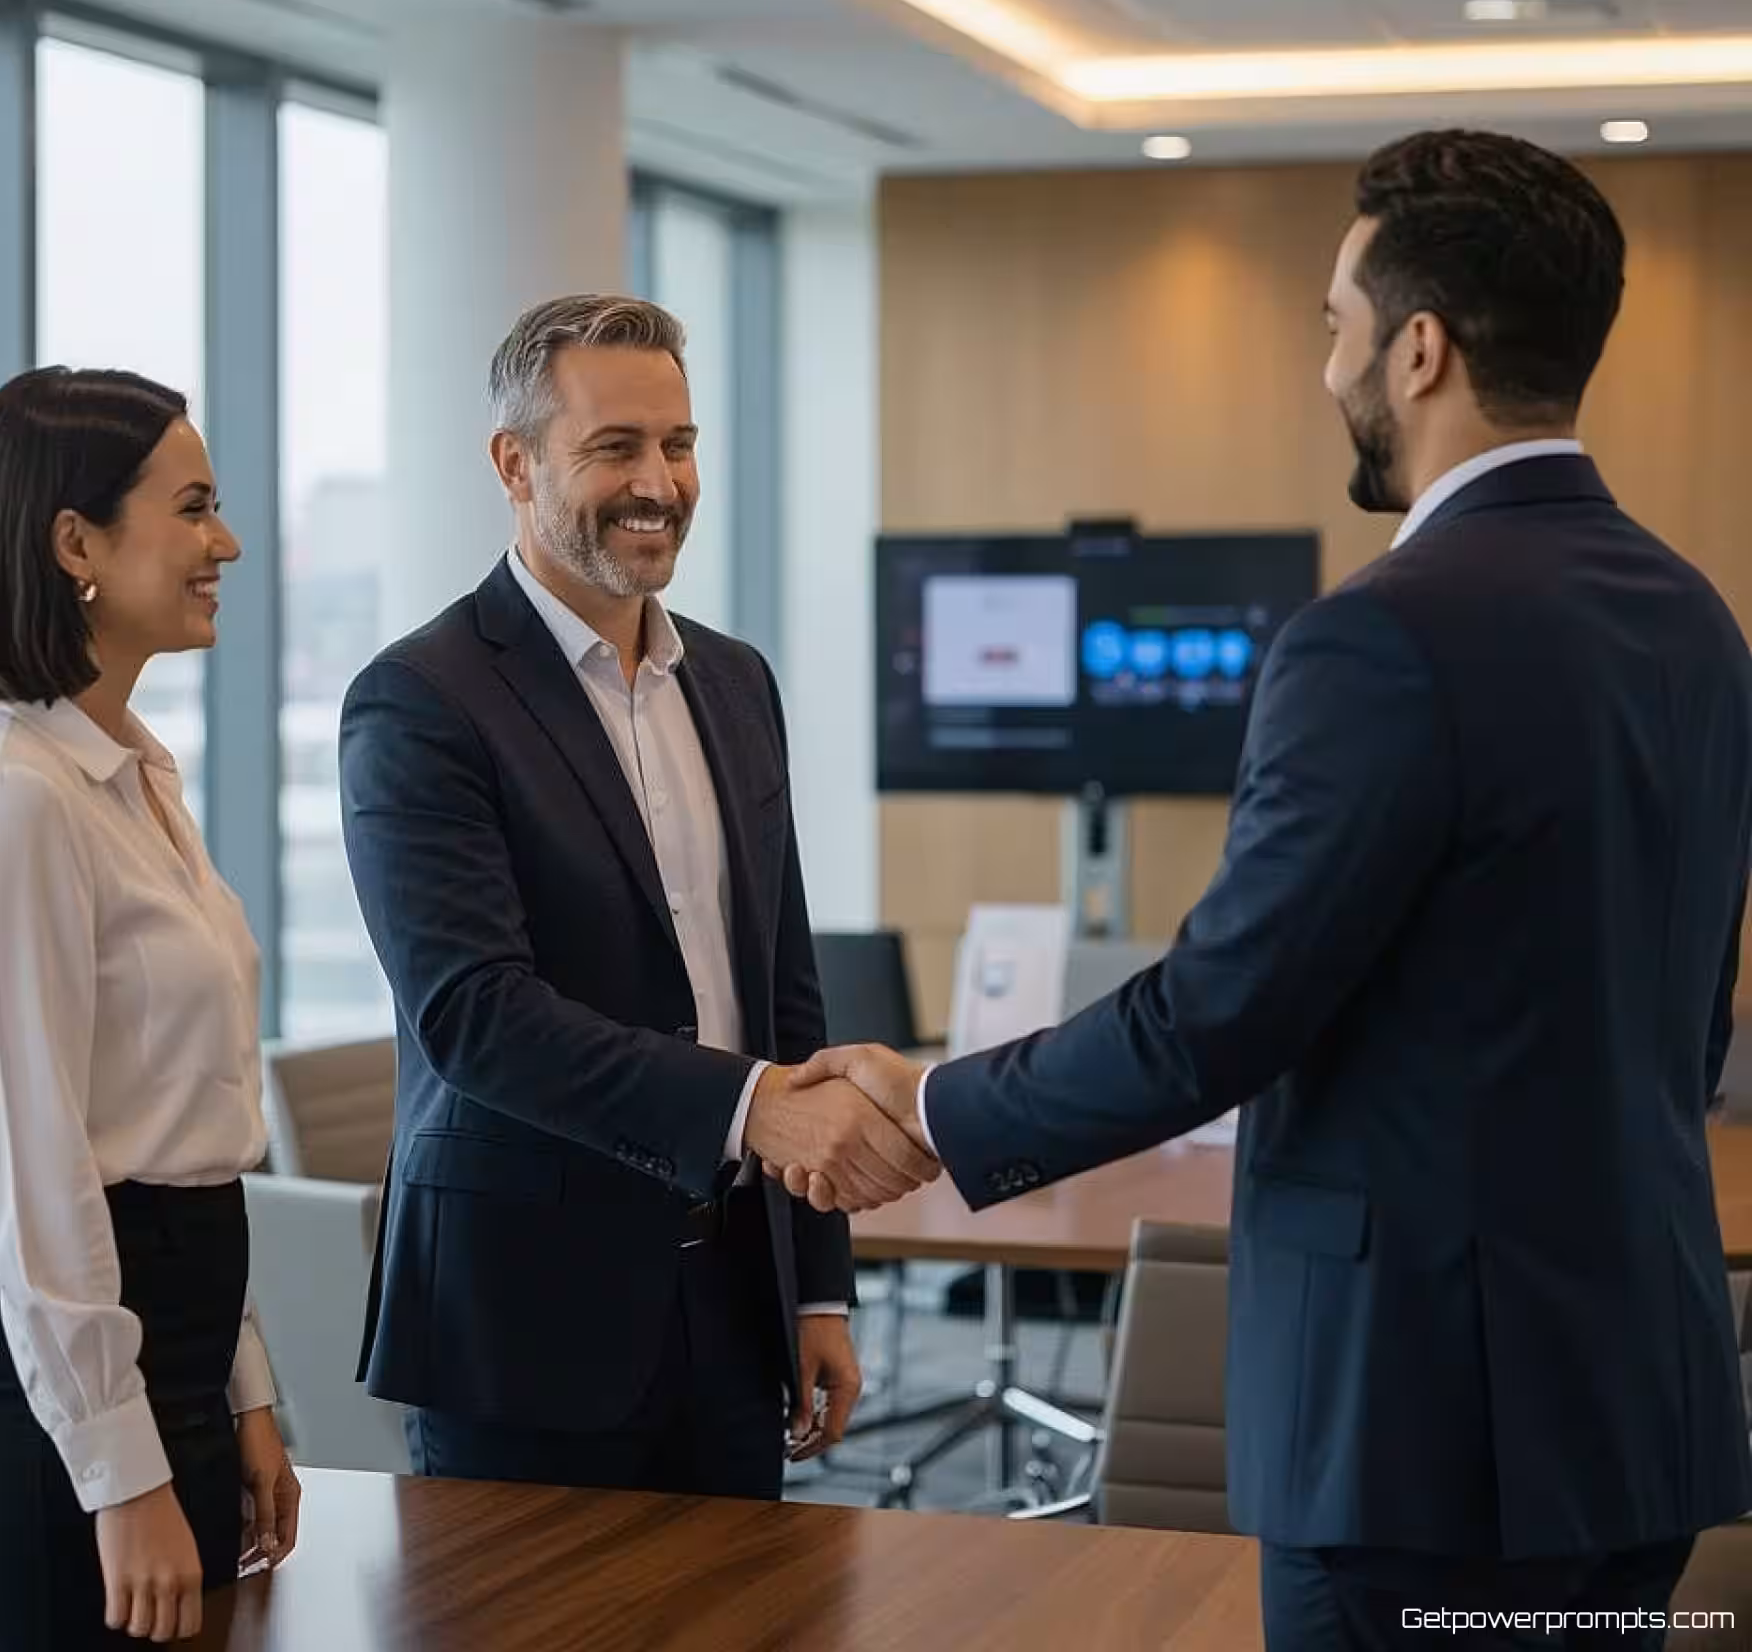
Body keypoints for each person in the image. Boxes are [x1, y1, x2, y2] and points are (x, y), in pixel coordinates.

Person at [783, 132, 1752, 1648]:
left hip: (1420, 1435)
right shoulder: (1693, 617)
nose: (1329, 368)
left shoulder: (1380, 636)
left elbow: (1216, 1015)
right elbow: (1687, 1031)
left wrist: (936, 1104)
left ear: (1419, 350)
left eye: (1336, 326)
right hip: (1636, 1406)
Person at [340, 294, 935, 1499]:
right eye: (615, 447)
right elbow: (476, 1018)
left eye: (679, 443)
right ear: (515, 464)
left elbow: (783, 992)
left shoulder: (735, 681)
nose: (658, 482)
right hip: (524, 1325)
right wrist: (753, 1110)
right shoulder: (421, 699)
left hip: (737, 1308)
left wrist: (817, 1286)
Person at [0, 369, 301, 1649]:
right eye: (192, 508)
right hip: (50, 1411)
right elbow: (34, 1179)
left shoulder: (134, 775)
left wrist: (245, 1392)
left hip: (169, 1357)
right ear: (75, 543)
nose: (225, 543)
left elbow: (189, 1131)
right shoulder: (8, 797)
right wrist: (120, 1474)